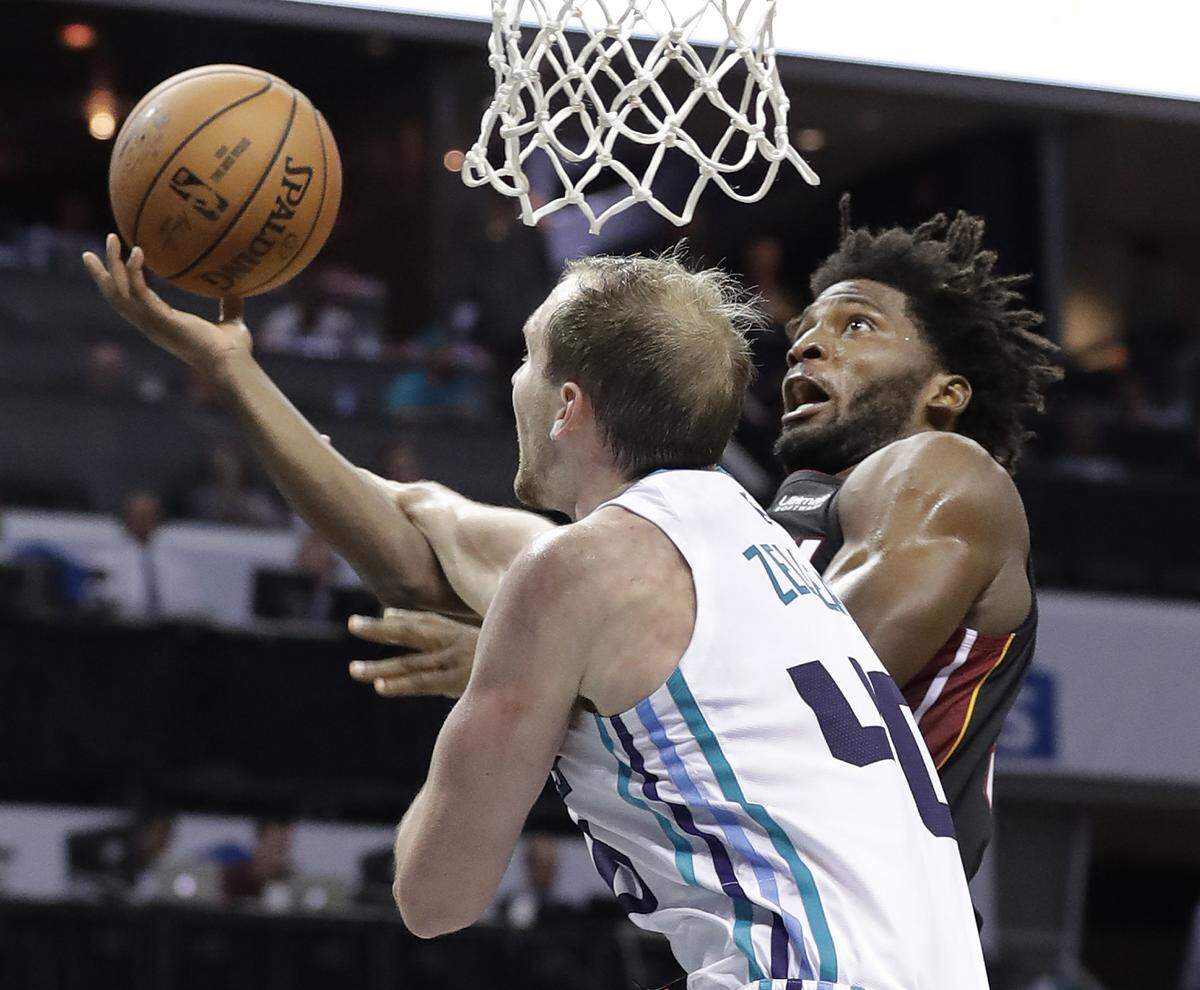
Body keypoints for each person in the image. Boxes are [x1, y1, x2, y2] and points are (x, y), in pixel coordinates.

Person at [84, 241, 986, 988]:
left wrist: (509, 685)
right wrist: (234, 372)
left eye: (527, 356)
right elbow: (418, 528)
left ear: (566, 407)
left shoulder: (576, 573)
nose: (513, 379)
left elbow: (434, 897)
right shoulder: (753, 552)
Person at [346, 204, 1062, 889]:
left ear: (946, 392)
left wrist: (547, 673)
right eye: (806, 327)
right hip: (775, 921)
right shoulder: (763, 535)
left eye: (857, 325)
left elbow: (795, 691)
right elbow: (462, 551)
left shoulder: (948, 471)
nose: (807, 344)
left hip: (881, 928)